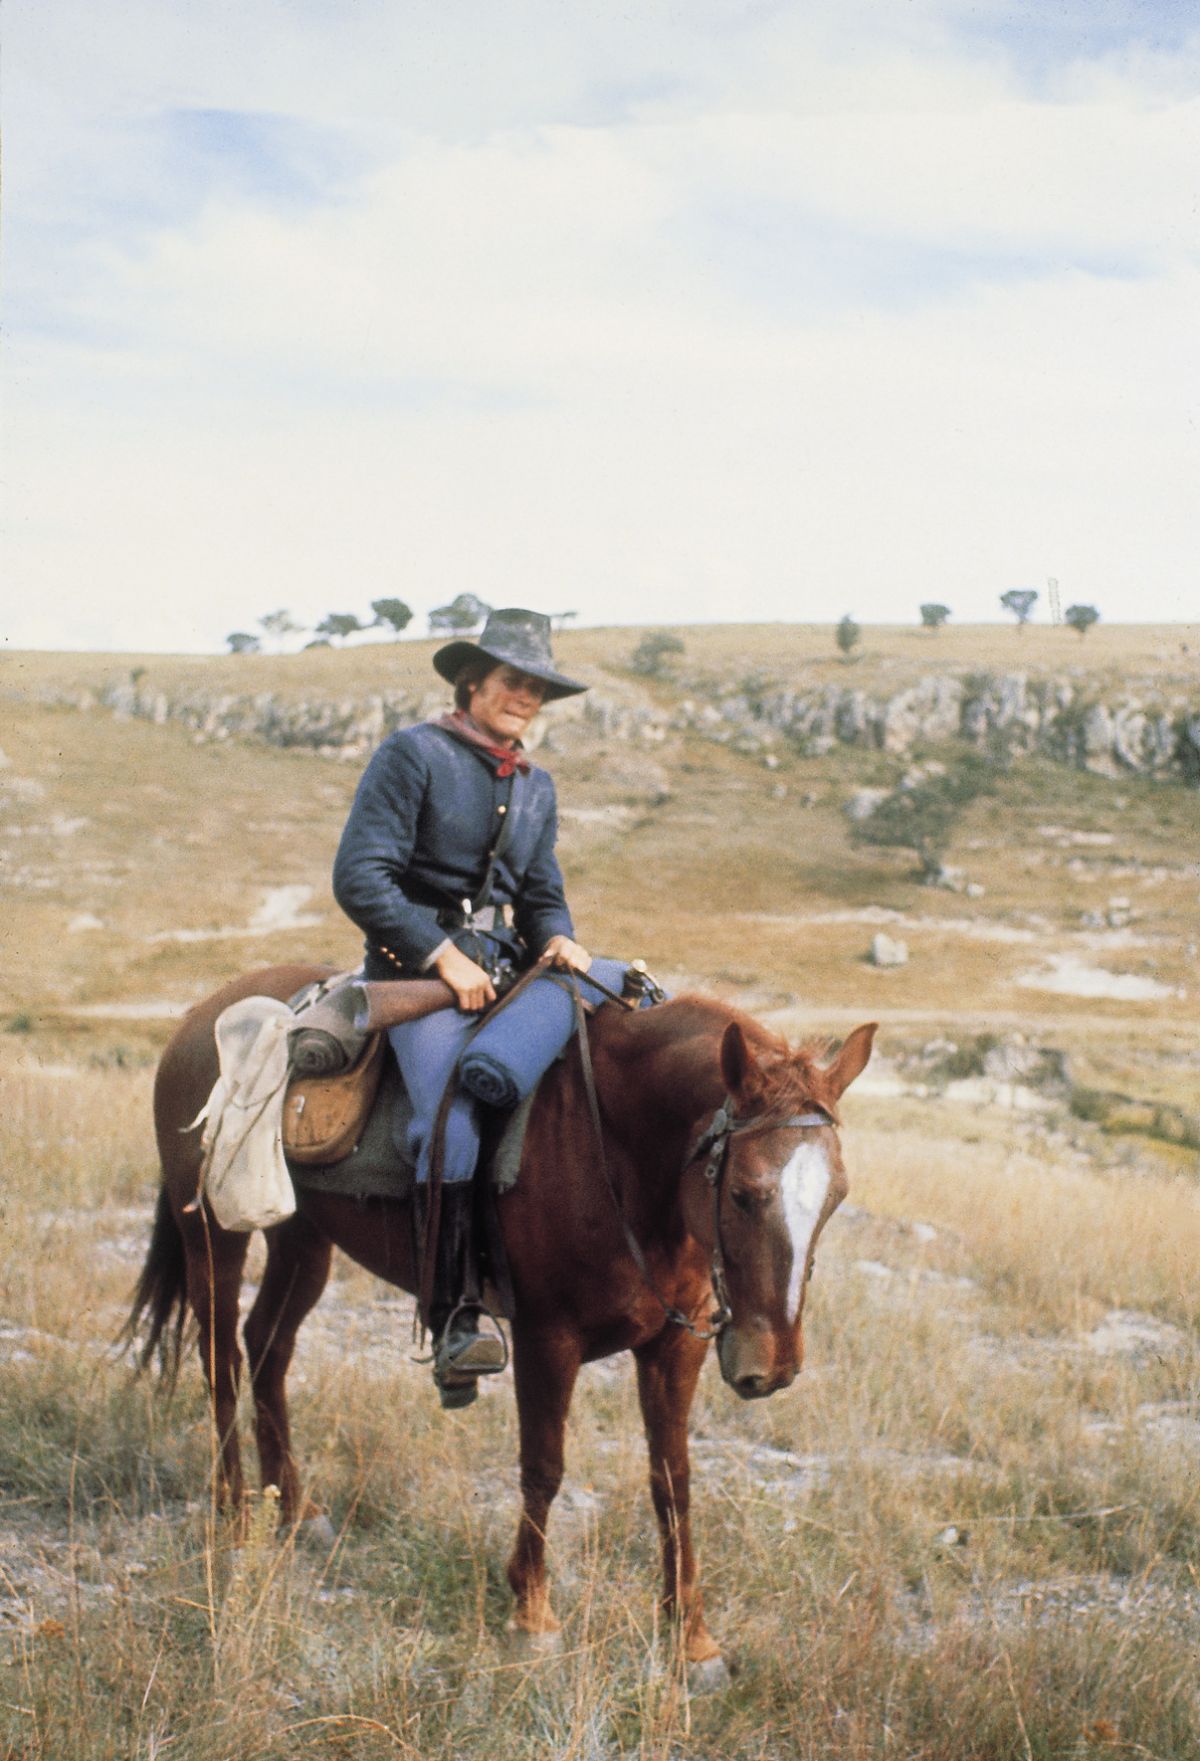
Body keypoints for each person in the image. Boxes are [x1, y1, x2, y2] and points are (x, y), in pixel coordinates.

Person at [332, 608, 594, 1405]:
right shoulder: (412, 754)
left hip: (507, 975)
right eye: (514, 681)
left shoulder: (536, 785)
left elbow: (540, 893)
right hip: (415, 978)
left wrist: (560, 937)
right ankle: (453, 1319)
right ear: (472, 682)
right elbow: (360, 876)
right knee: (451, 1112)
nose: (526, 698)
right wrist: (439, 954)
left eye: (537, 688)